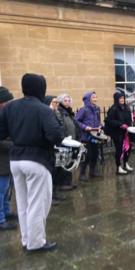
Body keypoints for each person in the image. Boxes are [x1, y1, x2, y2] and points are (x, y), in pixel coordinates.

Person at [0, 73, 64, 252]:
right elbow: (56, 136)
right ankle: (36, 243)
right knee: (38, 203)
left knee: (23, 203)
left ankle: (27, 240)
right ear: (40, 88)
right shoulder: (43, 109)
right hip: (37, 160)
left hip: (15, 161)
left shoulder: (10, 108)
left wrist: (19, 137)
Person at [75, 91, 102, 181]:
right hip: (85, 137)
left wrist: (100, 126)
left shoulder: (97, 109)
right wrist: (85, 127)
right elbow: (76, 121)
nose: (95, 99)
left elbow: (98, 121)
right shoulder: (84, 110)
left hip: (95, 136)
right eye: (93, 97)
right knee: (87, 155)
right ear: (88, 99)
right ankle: (82, 174)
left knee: (95, 154)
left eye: (96, 97)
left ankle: (92, 171)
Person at [44, 96, 66, 204]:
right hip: (51, 147)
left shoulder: (58, 113)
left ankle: (55, 193)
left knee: (58, 170)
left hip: (60, 144)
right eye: (54, 102)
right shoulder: (47, 114)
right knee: (52, 172)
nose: (56, 104)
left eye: (57, 102)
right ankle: (50, 197)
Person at [55, 93, 80, 191]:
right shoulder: (60, 111)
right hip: (65, 141)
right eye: (65, 100)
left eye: (69, 100)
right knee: (64, 162)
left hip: (71, 140)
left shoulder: (69, 112)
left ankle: (68, 182)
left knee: (69, 161)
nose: (68, 102)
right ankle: (63, 183)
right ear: (60, 101)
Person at [0, 86, 16, 231]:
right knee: (1, 190)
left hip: (7, 160)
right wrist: (14, 144)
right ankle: (0, 219)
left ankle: (6, 212)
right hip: (1, 161)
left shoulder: (5, 115)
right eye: (8, 101)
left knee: (6, 190)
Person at [105, 92, 133, 175]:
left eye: (123, 98)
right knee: (119, 150)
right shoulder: (113, 109)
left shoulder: (127, 107)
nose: (122, 100)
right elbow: (109, 121)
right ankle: (118, 167)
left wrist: (129, 125)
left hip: (126, 132)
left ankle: (125, 163)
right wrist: (120, 125)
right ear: (116, 99)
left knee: (128, 149)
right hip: (117, 133)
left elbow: (129, 119)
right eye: (120, 98)